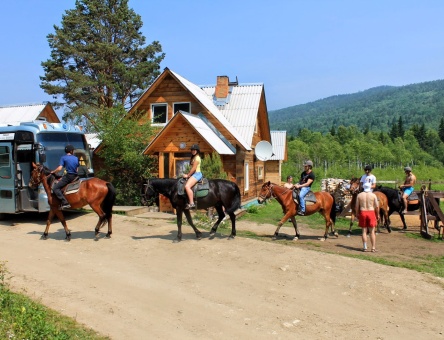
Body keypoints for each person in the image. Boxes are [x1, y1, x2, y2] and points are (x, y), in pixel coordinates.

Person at [51, 145, 79, 209]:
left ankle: (65, 203)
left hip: (69, 176)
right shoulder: (76, 158)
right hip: (75, 176)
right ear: (71, 151)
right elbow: (77, 169)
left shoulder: (63, 158)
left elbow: (60, 168)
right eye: (73, 150)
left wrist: (53, 171)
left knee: (56, 188)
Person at [355, 182, 379, 252]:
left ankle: (365, 247)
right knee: (372, 232)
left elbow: (357, 206)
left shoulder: (359, 195)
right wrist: (377, 214)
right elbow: (377, 206)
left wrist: (357, 214)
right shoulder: (373, 195)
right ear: (370, 187)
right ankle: (373, 248)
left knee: (364, 231)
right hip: (371, 212)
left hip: (363, 212)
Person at [183, 144, 203, 209]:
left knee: (187, 186)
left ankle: (191, 203)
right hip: (194, 174)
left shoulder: (197, 158)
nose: (193, 151)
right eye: (192, 150)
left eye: (195, 150)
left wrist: (187, 175)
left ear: (197, 151)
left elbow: (194, 168)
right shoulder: (194, 157)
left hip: (197, 174)